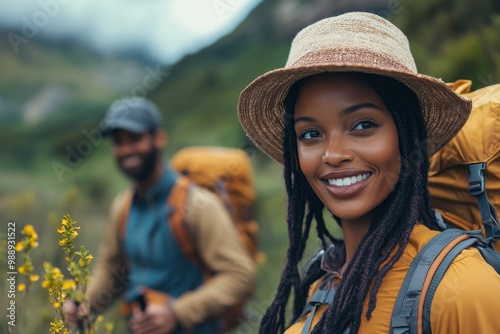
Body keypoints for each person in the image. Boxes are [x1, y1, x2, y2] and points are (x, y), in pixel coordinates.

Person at [237, 12, 500, 334]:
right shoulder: (321, 282)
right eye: (310, 134)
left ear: (406, 136)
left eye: (363, 125)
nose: (333, 155)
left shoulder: (463, 287)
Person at [64, 97, 255, 333]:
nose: (125, 150)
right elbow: (112, 268)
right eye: (118, 142)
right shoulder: (122, 206)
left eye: (135, 139)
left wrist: (177, 312)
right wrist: (85, 303)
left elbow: (239, 275)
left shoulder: (198, 204)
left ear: (159, 138)